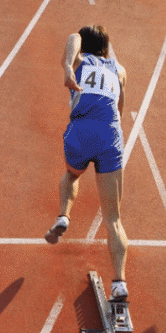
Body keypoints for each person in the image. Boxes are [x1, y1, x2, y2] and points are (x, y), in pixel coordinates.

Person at [45, 25, 129, 300]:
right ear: (106, 47)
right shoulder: (119, 71)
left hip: (81, 131)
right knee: (114, 219)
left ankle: (63, 216)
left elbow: (72, 37)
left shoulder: (79, 60)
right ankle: (119, 283)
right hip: (109, 134)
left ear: (84, 48)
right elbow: (120, 110)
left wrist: (69, 67)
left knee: (71, 176)